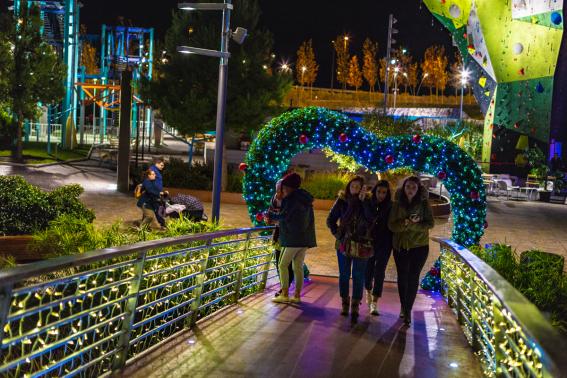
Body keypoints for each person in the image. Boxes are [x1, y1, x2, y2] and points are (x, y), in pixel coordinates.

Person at [388, 176, 434, 326]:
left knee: (413, 277)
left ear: (418, 189)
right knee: (402, 277)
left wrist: (413, 225)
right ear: (404, 187)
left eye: (413, 187)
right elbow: (392, 226)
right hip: (400, 246)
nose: (410, 190)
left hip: (419, 246)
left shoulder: (423, 203)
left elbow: (430, 223)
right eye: (408, 187)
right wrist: (405, 223)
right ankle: (403, 306)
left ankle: (408, 310)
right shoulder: (397, 203)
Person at [327, 176, 372, 322]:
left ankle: (355, 305)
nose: (354, 189)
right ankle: (345, 303)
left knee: (359, 276)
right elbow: (330, 220)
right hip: (344, 243)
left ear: (362, 188)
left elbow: (371, 219)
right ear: (348, 187)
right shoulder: (342, 201)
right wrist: (338, 235)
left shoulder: (367, 201)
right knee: (344, 274)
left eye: (358, 187)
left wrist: (364, 201)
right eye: (352, 186)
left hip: (362, 244)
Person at [269, 173, 316, 304]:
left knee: (282, 264)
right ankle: (296, 296)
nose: (282, 191)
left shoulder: (292, 199)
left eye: (284, 189)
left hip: (292, 238)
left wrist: (269, 215)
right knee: (298, 267)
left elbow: (284, 216)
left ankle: (284, 294)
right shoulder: (304, 198)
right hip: (304, 239)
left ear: (289, 187)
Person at [363, 180, 393, 316]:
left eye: (384, 192)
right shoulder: (368, 203)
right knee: (368, 268)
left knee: (380, 270)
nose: (381, 195)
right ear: (374, 191)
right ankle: (368, 292)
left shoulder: (390, 206)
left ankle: (375, 301)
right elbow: (366, 218)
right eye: (379, 192)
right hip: (370, 241)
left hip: (385, 242)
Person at [268, 179, 294, 297]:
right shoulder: (274, 199)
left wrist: (276, 218)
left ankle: (286, 287)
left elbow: (286, 217)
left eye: (281, 189)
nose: (279, 192)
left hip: (289, 235)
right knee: (279, 261)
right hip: (278, 235)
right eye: (277, 189)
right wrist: (269, 218)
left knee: (287, 264)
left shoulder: (290, 201)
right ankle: (284, 287)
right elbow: (271, 213)